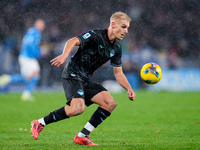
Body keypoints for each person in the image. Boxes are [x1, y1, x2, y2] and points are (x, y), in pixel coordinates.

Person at [31, 12, 136, 145]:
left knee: (110, 103)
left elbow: (118, 73)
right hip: (72, 74)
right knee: (78, 109)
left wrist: (129, 88)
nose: (126, 31)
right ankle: (39, 123)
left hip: (86, 78)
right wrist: (64, 55)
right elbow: (73, 41)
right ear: (113, 25)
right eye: (123, 27)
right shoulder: (96, 35)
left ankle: (82, 136)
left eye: (127, 28)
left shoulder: (116, 48)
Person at [0, 19, 45, 101]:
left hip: (27, 57)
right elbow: (29, 45)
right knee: (35, 75)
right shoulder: (35, 33)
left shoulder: (32, 32)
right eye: (41, 24)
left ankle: (7, 79)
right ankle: (26, 94)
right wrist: (39, 53)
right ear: (36, 24)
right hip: (27, 57)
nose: (42, 26)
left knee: (28, 77)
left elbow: (27, 43)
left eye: (43, 25)